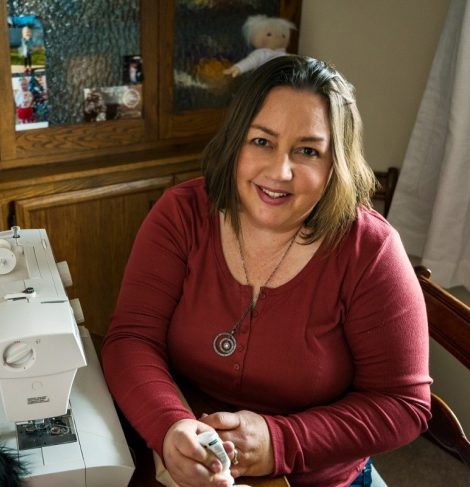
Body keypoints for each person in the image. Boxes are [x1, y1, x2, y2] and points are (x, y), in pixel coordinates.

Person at [102, 55, 431, 487]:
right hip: (186, 462)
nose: (280, 172)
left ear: (336, 166)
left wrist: (280, 441)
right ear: (236, 141)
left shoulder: (369, 251)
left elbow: (403, 404)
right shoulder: (180, 215)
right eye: (262, 142)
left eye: (308, 151)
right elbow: (131, 338)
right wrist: (170, 427)